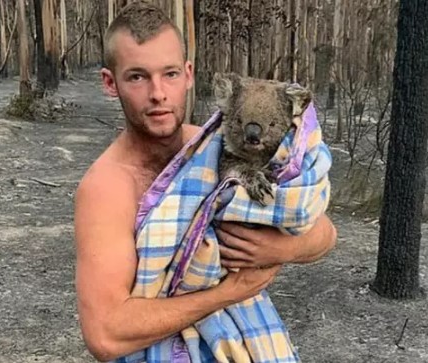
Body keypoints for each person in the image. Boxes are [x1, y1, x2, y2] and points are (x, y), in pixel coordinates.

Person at [74, 1, 337, 361]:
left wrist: (283, 248)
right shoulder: (106, 189)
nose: (158, 94)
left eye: (169, 74)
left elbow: (324, 232)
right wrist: (229, 292)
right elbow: (106, 335)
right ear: (110, 82)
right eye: (137, 76)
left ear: (189, 74)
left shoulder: (218, 146)